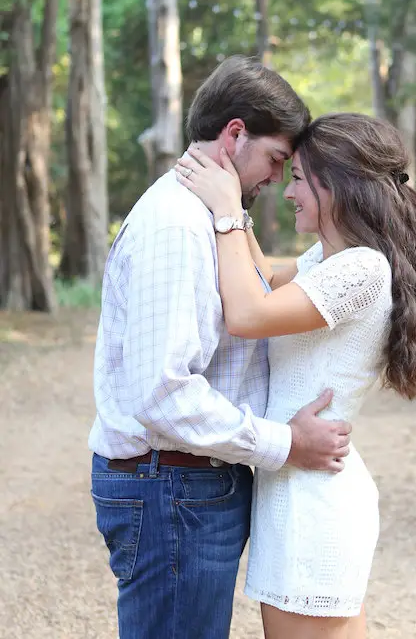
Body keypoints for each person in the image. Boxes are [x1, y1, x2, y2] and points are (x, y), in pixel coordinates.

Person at [89, 57, 353, 639]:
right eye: (276, 160)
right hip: (172, 487)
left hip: (187, 486)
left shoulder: (210, 219)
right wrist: (286, 444)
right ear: (235, 134)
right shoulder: (178, 227)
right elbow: (163, 392)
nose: (277, 180)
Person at [175, 111, 416, 639]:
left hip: (314, 499)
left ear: (339, 186)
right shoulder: (329, 260)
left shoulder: (361, 269)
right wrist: (230, 202)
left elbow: (251, 314)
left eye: (299, 177)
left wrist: (229, 209)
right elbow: (260, 279)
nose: (288, 191)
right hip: (300, 484)